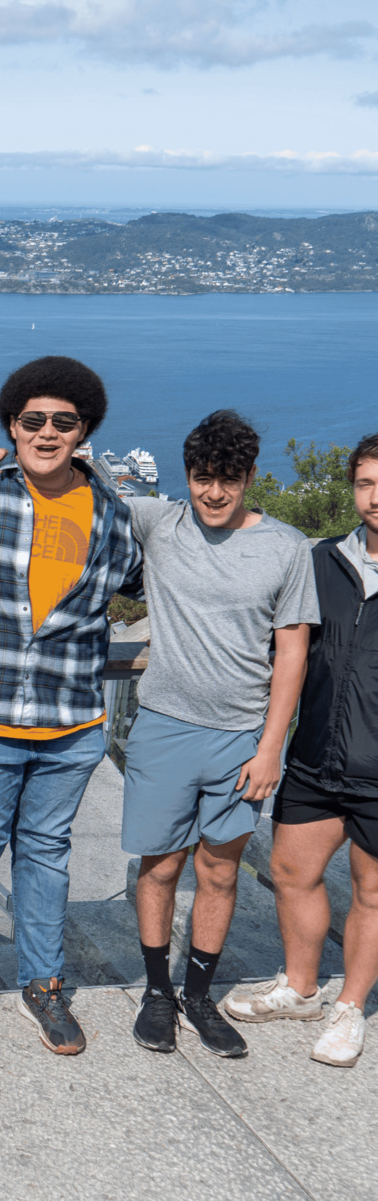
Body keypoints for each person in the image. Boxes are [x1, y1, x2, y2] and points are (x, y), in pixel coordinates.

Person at [0, 410, 318, 1058]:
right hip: (161, 728)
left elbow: (292, 651)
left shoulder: (286, 548)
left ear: (250, 478)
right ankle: (159, 993)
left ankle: (199, 996)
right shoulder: (160, 522)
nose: (213, 493)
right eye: (202, 477)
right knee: (159, 869)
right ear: (187, 475)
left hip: (241, 737)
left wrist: (272, 746)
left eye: (228, 480)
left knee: (219, 872)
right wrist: (4, 459)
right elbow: (80, 489)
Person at [0, 356, 142, 1058]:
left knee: (46, 857)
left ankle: (43, 985)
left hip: (69, 719)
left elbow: (139, 578)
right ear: (11, 426)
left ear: (85, 430)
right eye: (32, 420)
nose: (46, 432)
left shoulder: (112, 516)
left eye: (63, 422)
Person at [222, 432, 378, 1066]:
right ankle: (302, 988)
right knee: (290, 872)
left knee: (372, 894)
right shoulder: (321, 562)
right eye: (366, 483)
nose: (376, 497)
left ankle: (350, 1009)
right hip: (315, 756)